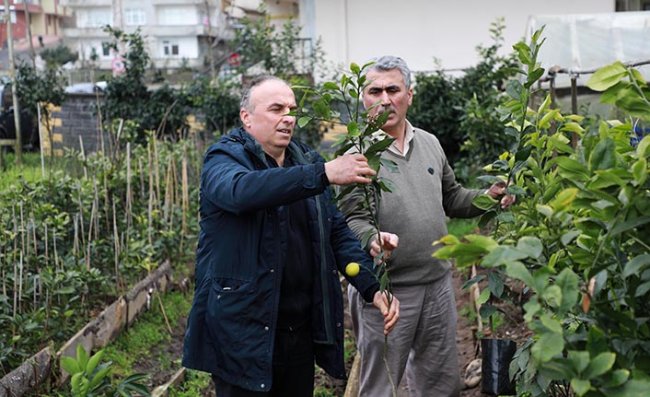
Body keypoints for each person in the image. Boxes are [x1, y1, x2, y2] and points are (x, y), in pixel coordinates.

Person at [182, 75, 400, 397]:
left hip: (297, 332)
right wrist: (324, 173)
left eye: (292, 109)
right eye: (276, 108)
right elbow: (241, 192)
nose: (288, 117)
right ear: (247, 117)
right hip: (242, 332)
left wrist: (371, 285)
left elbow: (335, 231)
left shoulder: (305, 159)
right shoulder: (223, 158)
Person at [340, 56, 515, 397]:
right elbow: (351, 220)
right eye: (375, 91)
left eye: (393, 89)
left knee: (439, 384)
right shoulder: (357, 155)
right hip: (386, 292)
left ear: (409, 94)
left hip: (436, 284)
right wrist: (372, 237)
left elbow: (452, 198)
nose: (385, 98)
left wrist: (488, 197)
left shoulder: (430, 144)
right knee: (381, 385)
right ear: (364, 98)